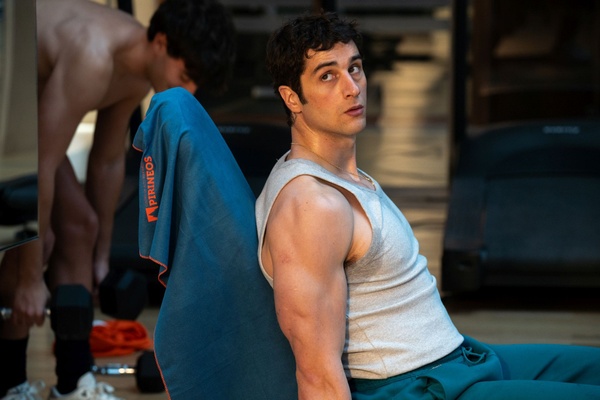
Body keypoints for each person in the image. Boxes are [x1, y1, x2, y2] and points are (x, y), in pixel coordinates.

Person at [255, 12, 600, 400]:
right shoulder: (311, 206)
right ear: (291, 98)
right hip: (420, 389)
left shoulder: (341, 176)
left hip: (456, 360)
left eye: (354, 68)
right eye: (327, 76)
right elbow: (317, 374)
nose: (352, 88)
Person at [0, 0, 235, 399]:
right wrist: (30, 279)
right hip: (11, 109)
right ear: (161, 43)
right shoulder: (94, 58)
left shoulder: (137, 73)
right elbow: (38, 167)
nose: (189, 91)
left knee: (82, 226)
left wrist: (101, 256)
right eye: (185, 76)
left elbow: (108, 161)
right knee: (39, 242)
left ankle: (74, 381)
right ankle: (10, 382)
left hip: (27, 116)